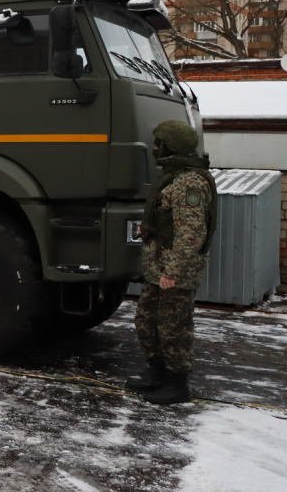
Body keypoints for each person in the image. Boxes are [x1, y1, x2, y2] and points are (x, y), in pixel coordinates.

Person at [126, 119, 217, 405]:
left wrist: (173, 272)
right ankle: (157, 375)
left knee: (173, 327)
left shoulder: (190, 182)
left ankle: (177, 385)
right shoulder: (174, 177)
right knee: (147, 322)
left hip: (175, 272)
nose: (154, 149)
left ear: (170, 146)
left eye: (158, 144)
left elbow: (192, 234)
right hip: (159, 268)